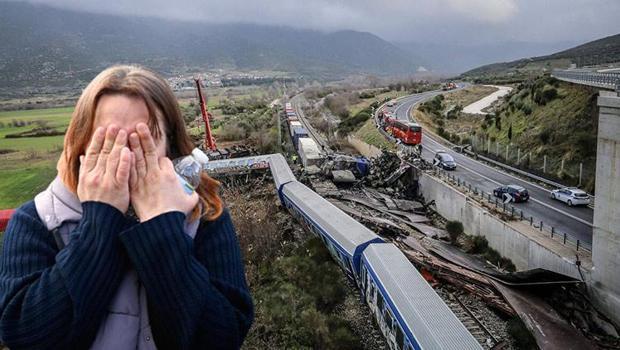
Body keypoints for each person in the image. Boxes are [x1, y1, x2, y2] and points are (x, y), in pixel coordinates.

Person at [0, 65, 254, 349]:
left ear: (169, 147)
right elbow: (25, 335)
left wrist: (162, 227)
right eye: (110, 141)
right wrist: (101, 219)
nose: (126, 158)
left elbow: (224, 336)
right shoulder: (37, 221)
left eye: (143, 140)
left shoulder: (204, 217)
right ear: (82, 144)